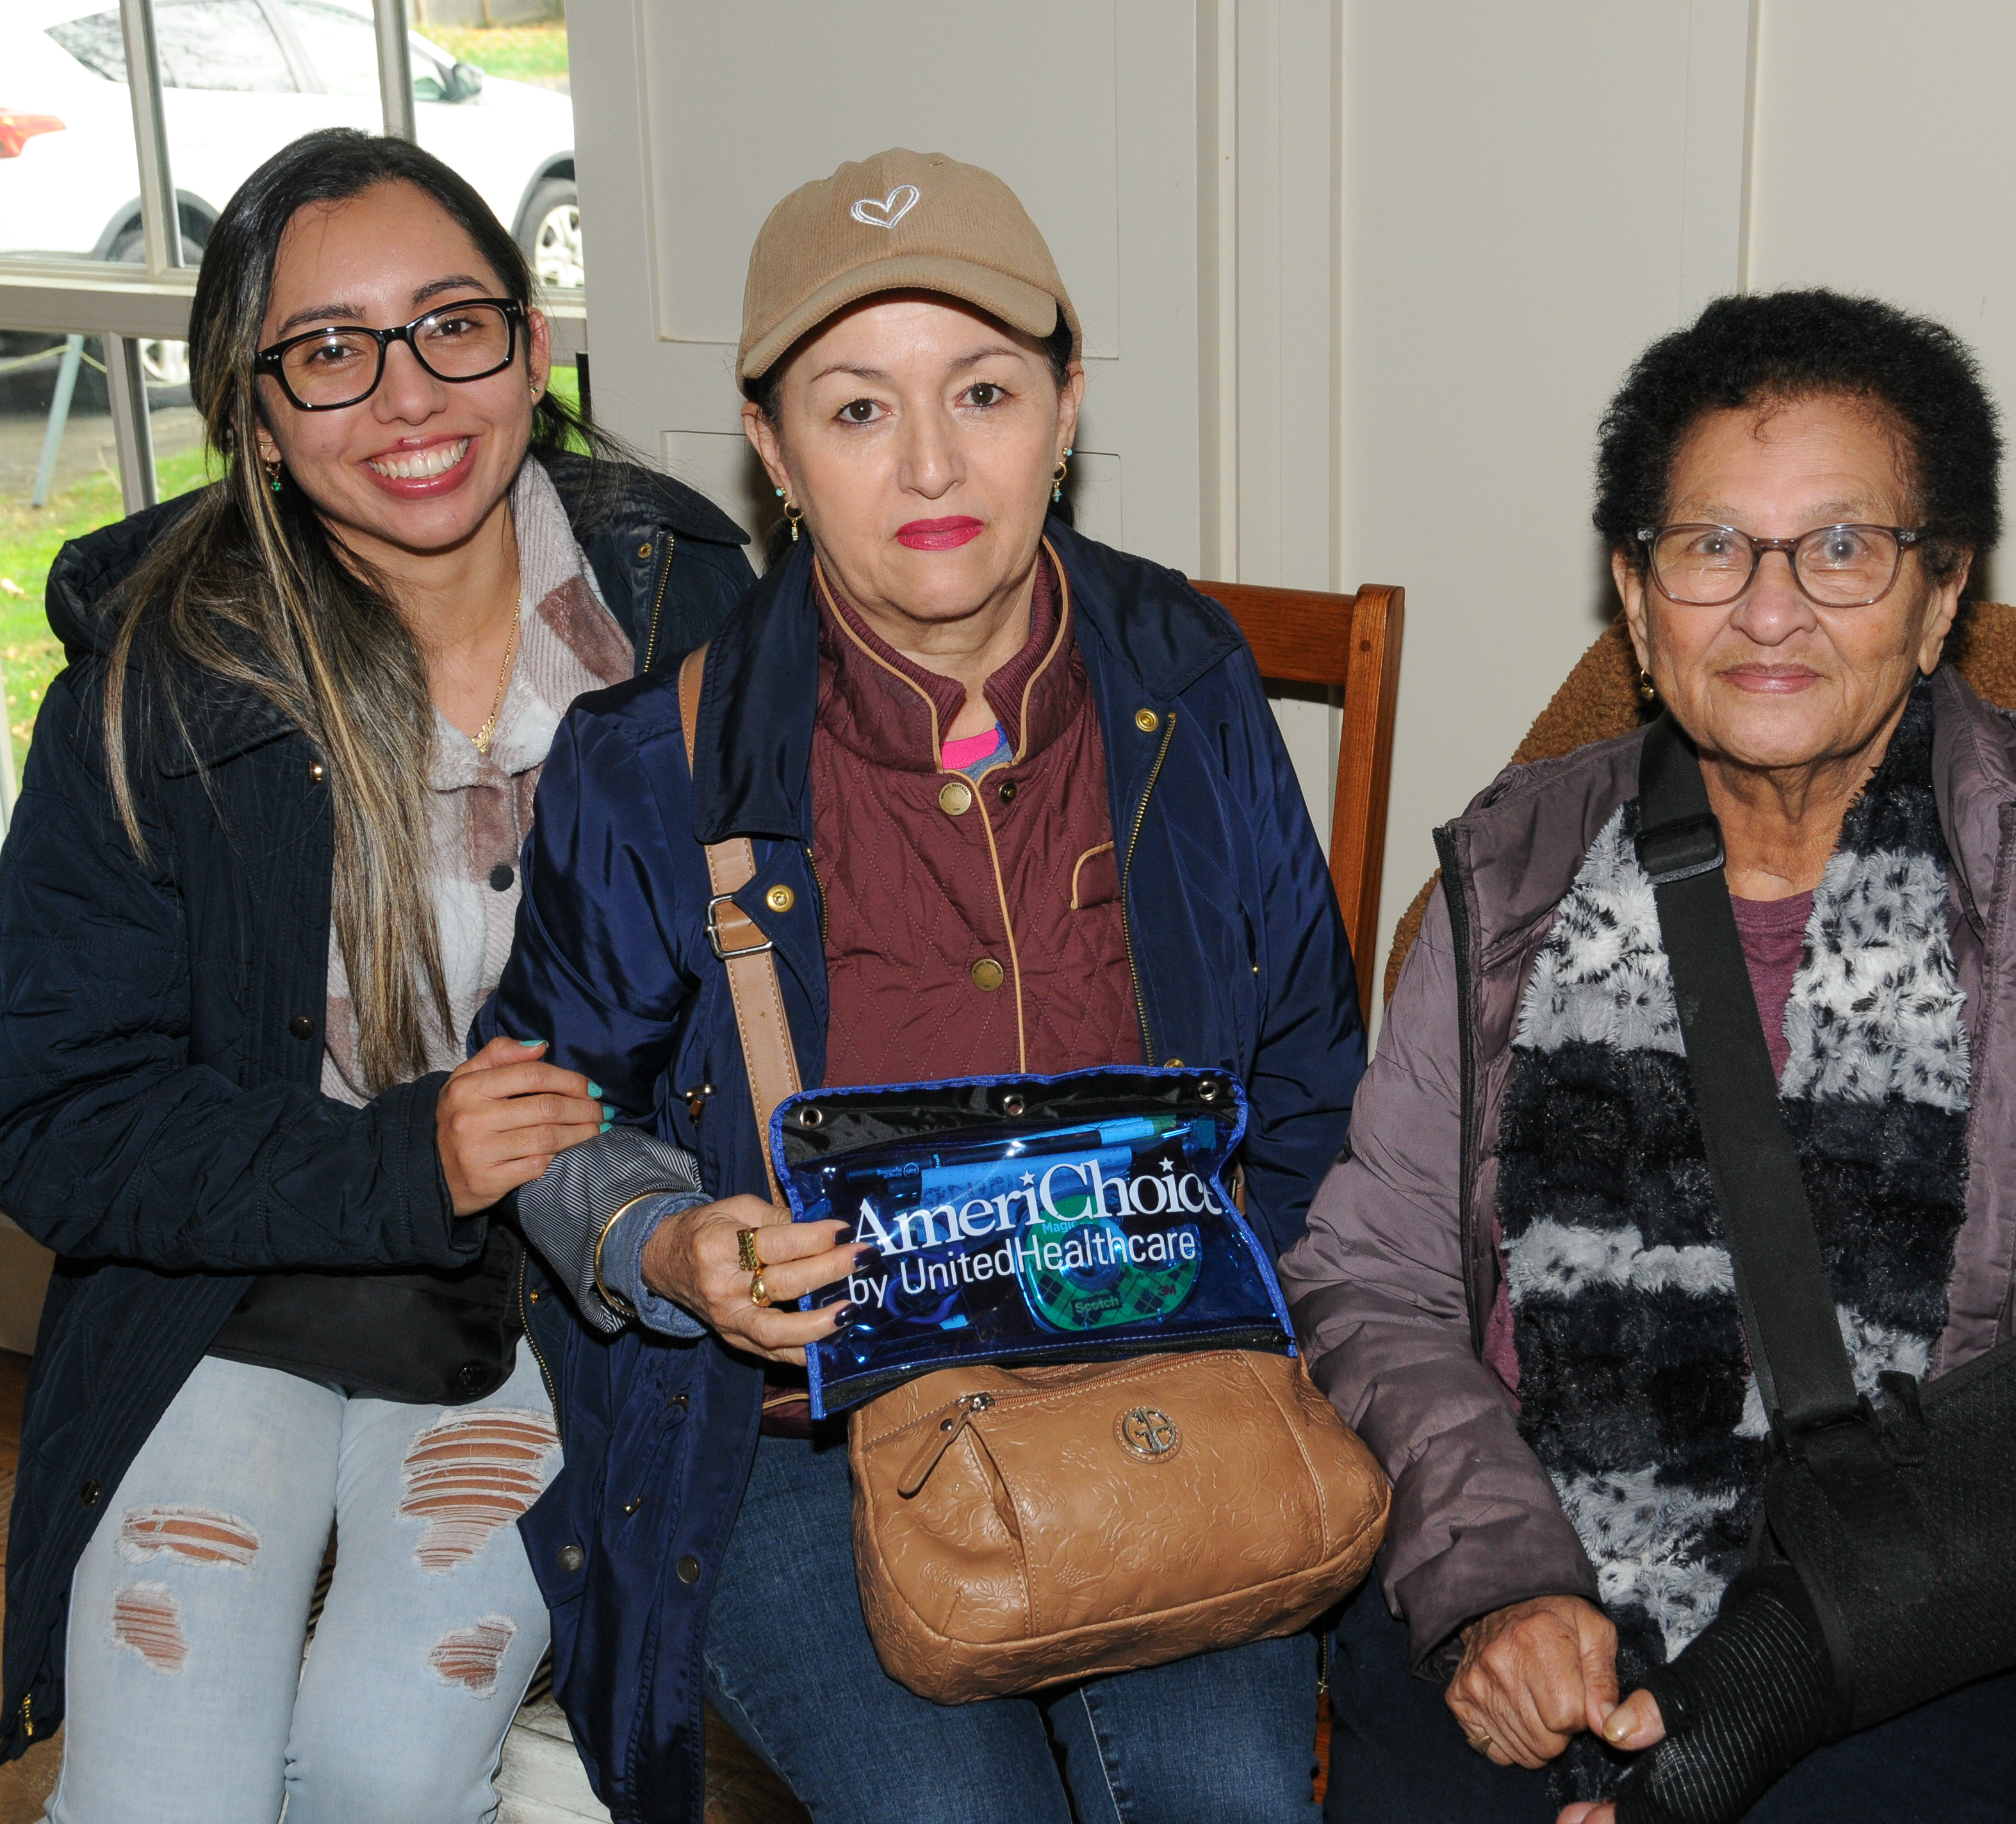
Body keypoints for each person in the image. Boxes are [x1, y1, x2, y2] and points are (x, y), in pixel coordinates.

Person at [1284, 289, 2016, 1824]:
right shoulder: (1509, 872)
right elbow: (1375, 1281)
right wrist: (1499, 1585)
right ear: (1634, 599)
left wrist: (1737, 1704)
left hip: (1979, 1620)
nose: (1771, 609)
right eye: (1709, 547)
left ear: (1938, 591)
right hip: (1557, 1557)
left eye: (1841, 547)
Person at [479, 148, 1368, 1823]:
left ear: (1066, 404)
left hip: (1164, 1372)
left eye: (981, 391)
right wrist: (669, 1242)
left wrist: (1296, 1327)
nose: (936, 462)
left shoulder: (1182, 681)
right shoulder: (647, 762)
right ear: (771, 449)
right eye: (858, 409)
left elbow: (1315, 1068)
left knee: (1234, 1805)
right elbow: (538, 1100)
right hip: (797, 1434)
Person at [0, 129, 754, 1821]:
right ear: (252, 413)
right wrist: (404, 1156)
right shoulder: (157, 682)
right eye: (327, 352)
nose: (407, 395)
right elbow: (54, 1122)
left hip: (567, 1294)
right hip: (233, 1285)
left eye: (452, 325)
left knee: (390, 1762)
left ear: (534, 349)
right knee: (160, 1791)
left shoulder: (687, 618)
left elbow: (782, 1024)